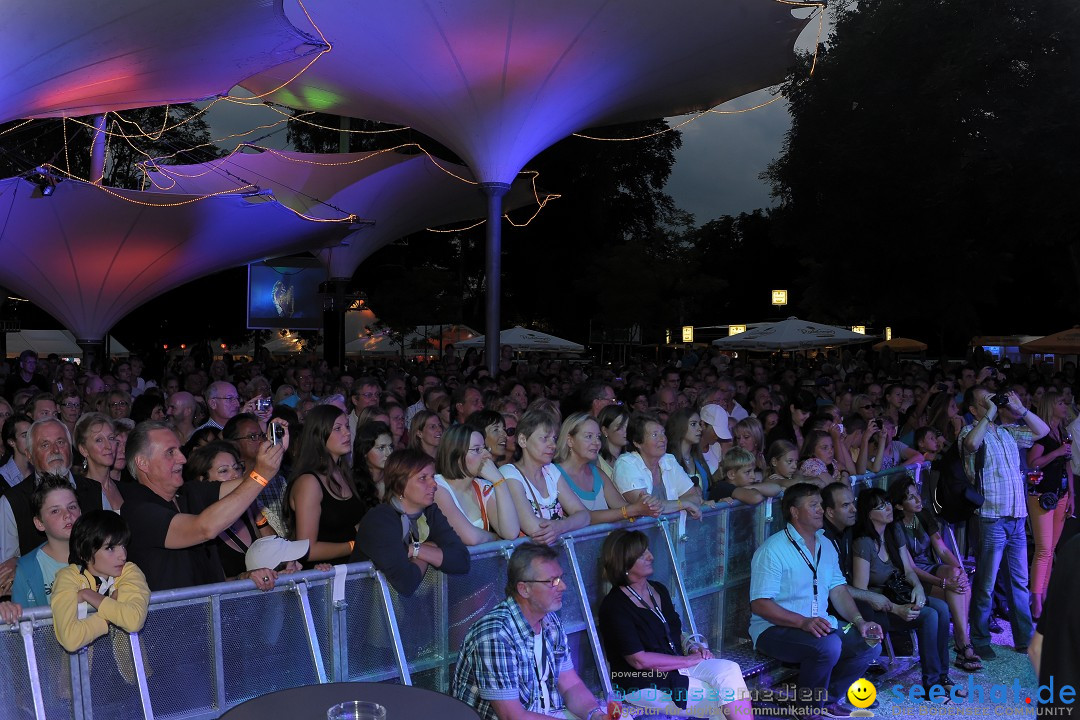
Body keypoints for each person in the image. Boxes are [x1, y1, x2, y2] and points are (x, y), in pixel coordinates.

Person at [749, 482, 882, 718]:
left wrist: (860, 622)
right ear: (794, 511)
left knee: (870, 643)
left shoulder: (826, 543)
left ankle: (827, 700)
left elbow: (838, 590)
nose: (821, 509)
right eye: (814, 505)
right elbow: (760, 604)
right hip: (773, 630)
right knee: (828, 646)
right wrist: (802, 622)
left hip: (818, 625)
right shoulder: (773, 549)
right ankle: (808, 711)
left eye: (821, 504)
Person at [451, 543, 616, 720]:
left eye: (560, 578)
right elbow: (513, 717)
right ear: (524, 589)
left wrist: (596, 715)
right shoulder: (495, 635)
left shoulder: (550, 621)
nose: (563, 587)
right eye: (552, 581)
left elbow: (570, 685)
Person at [598, 529, 751, 719]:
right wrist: (688, 661)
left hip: (677, 664)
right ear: (624, 563)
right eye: (642, 554)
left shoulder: (658, 590)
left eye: (648, 550)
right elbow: (639, 661)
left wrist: (694, 647)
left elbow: (674, 630)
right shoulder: (614, 606)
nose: (651, 556)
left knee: (729, 670)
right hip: (642, 681)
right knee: (721, 700)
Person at [120, 419, 286, 591]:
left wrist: (274, 452)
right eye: (170, 452)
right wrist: (262, 474)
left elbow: (243, 484)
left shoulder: (189, 493)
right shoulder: (137, 510)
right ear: (143, 463)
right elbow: (204, 528)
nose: (182, 459)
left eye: (179, 450)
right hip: (171, 617)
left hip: (210, 614)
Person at [961, 387, 1048, 658]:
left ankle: (1024, 638)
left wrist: (1020, 409)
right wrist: (989, 414)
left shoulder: (1008, 432)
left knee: (1019, 582)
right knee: (986, 583)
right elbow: (971, 445)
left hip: (1016, 517)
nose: (992, 403)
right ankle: (979, 638)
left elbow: (1042, 432)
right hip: (991, 518)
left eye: (992, 398)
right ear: (974, 410)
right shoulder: (969, 431)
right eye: (983, 401)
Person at [851, 488, 960, 697]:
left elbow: (909, 570)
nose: (888, 508)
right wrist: (896, 608)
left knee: (942, 608)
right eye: (880, 506)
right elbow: (861, 590)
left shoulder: (894, 532)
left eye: (887, 502)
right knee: (928, 615)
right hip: (880, 607)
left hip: (899, 594)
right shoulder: (864, 543)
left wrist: (918, 586)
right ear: (868, 513)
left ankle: (943, 676)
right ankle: (932, 683)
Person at [887, 476, 980, 671]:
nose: (918, 500)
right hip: (912, 579)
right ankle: (963, 643)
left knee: (958, 576)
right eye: (911, 498)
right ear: (899, 506)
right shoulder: (895, 526)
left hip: (929, 567)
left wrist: (960, 572)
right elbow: (911, 569)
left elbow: (943, 550)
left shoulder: (923, 515)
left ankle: (962, 641)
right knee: (956, 587)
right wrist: (944, 584)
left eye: (917, 494)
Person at [351, 448, 469, 597]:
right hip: (366, 612)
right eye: (423, 478)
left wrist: (416, 549)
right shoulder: (380, 520)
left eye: (432, 476)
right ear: (400, 484)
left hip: (410, 613)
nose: (434, 484)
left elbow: (462, 560)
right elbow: (406, 582)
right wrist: (430, 549)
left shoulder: (430, 511)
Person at [50, 510, 150, 653]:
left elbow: (133, 621)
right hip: (80, 673)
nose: (122, 555)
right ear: (85, 552)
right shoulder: (68, 577)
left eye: (123, 546)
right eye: (110, 548)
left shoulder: (129, 571)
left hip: (130, 672)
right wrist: (108, 615)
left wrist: (89, 595)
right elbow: (70, 640)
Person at [286, 406, 362, 566]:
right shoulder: (309, 482)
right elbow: (307, 549)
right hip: (322, 578)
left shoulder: (343, 474)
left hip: (350, 571)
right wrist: (355, 545)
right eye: (337, 428)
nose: (347, 433)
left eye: (347, 426)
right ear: (318, 435)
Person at [501, 410, 591, 545]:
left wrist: (561, 526)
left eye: (554, 439)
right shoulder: (509, 473)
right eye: (544, 438)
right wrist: (565, 524)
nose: (553, 445)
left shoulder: (551, 471)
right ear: (522, 440)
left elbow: (584, 515)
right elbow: (533, 527)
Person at [553, 412, 660, 524]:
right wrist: (632, 510)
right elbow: (585, 517)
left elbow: (621, 506)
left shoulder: (598, 473)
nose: (597, 442)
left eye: (598, 437)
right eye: (589, 436)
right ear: (570, 441)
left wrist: (644, 505)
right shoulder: (554, 474)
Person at [1025, 391, 1074, 620]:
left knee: (1050, 550)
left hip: (1061, 494)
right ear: (1050, 406)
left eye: (1066, 403)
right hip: (1042, 495)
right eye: (1061, 403)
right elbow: (1032, 464)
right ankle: (1036, 602)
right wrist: (1056, 452)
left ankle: (1043, 597)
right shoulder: (1042, 434)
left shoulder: (1062, 432)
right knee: (1043, 550)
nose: (1066, 406)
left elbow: (1068, 467)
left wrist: (1072, 495)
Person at [433, 424, 520, 544]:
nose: (487, 455)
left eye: (485, 448)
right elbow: (471, 538)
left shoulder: (482, 486)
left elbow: (511, 533)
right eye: (477, 450)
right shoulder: (437, 487)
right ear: (456, 455)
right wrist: (496, 538)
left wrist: (499, 481)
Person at [613, 412, 703, 519]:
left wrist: (684, 502)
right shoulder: (626, 464)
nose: (662, 439)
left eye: (663, 433)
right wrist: (683, 504)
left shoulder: (668, 460)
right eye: (655, 435)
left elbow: (694, 497)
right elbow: (647, 506)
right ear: (637, 442)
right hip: (637, 534)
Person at [11, 474, 81, 607]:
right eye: (55, 511)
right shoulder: (27, 569)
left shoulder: (101, 553)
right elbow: (21, 621)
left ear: (81, 512)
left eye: (72, 507)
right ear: (39, 523)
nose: (67, 515)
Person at [74, 413, 124, 512]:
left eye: (111, 438)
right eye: (99, 440)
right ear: (84, 450)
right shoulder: (77, 493)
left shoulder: (125, 489)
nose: (108, 446)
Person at [709, 447, 781, 506]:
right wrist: (747, 489)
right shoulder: (721, 487)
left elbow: (776, 488)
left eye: (753, 471)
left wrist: (747, 488)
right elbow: (756, 498)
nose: (753, 476)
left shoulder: (746, 484)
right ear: (731, 474)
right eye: (748, 472)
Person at [596, 405, 630, 480]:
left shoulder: (632, 458)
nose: (626, 431)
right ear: (605, 430)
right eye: (620, 427)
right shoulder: (597, 462)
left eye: (628, 426)